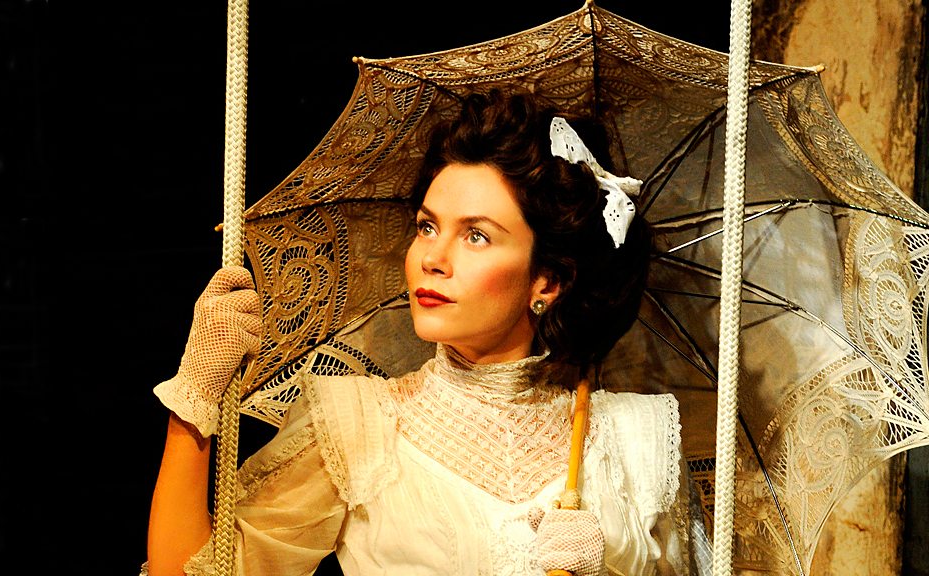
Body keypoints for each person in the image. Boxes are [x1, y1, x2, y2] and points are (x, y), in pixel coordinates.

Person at [144, 90, 712, 575]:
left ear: (548, 280)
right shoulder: (358, 428)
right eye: (427, 226)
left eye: (476, 235)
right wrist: (194, 401)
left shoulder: (634, 443)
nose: (432, 259)